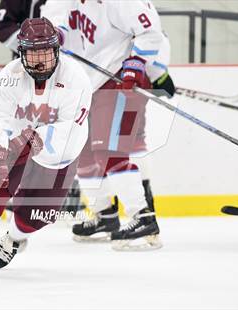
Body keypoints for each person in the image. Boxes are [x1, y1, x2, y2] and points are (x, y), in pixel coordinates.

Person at [0, 17, 92, 275]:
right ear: (22, 53)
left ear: (57, 50)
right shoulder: (9, 76)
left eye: (46, 53)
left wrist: (34, 140)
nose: (40, 61)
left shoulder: (76, 78)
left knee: (39, 214)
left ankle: (14, 239)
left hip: (56, 153)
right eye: (33, 53)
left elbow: (71, 127)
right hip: (14, 144)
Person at [41, 0, 176, 250]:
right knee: (81, 152)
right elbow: (50, 21)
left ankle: (142, 218)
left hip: (114, 80)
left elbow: (150, 31)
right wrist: (52, 36)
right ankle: (104, 214)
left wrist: (138, 63)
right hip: (81, 82)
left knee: (110, 150)